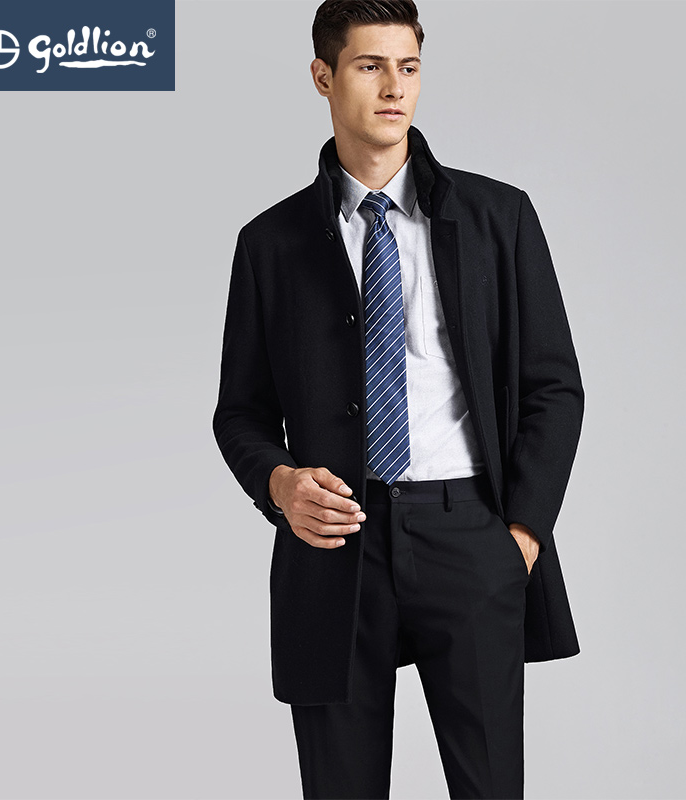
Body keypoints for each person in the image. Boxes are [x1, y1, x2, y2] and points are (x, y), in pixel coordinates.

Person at [213, 1, 585, 797]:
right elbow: (240, 412)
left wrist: (520, 535)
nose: (394, 88)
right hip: (334, 546)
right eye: (369, 66)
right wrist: (280, 484)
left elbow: (554, 385)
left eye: (408, 67)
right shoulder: (270, 243)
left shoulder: (499, 217)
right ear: (323, 77)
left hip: (469, 534)